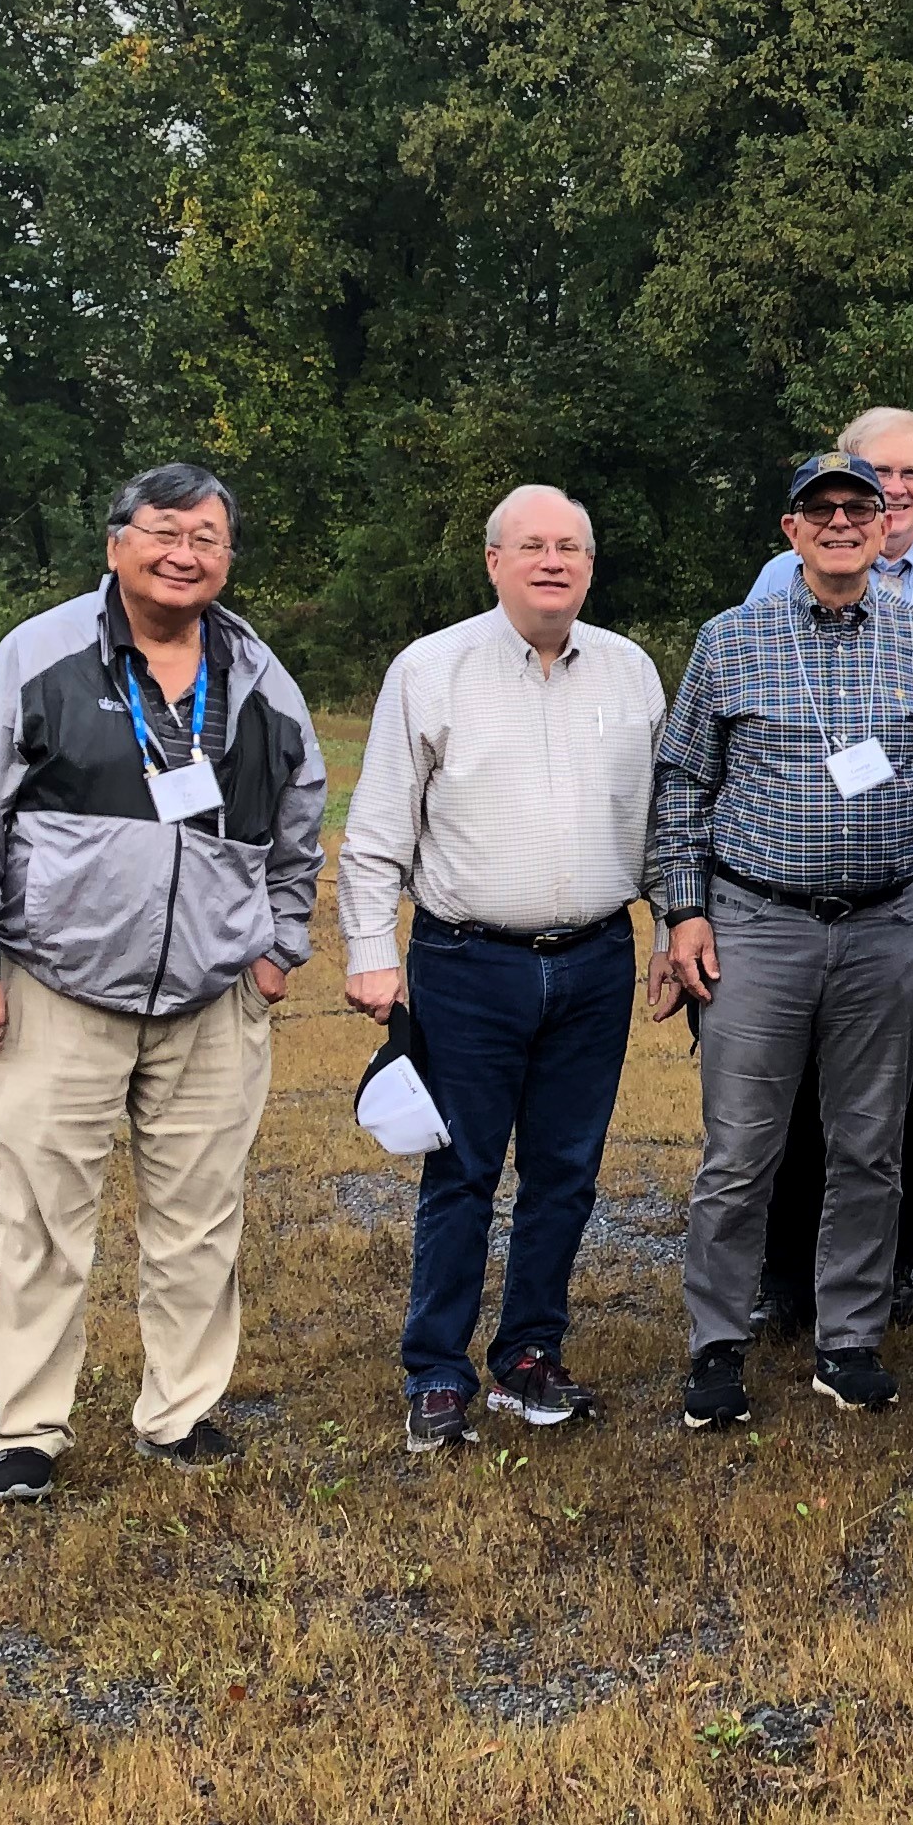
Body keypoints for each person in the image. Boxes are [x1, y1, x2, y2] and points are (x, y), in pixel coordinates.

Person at [0, 463, 325, 1503]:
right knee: (42, 1218)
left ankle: (180, 1415)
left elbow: (300, 817)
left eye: (207, 536)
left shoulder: (259, 677)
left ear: (228, 560)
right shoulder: (40, 656)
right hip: (61, 988)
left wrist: (281, 946)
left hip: (213, 1000)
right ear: (116, 544)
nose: (183, 552)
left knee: (200, 1220)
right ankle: (25, 1433)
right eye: (163, 531)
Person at [646, 450, 913, 1431]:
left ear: (885, 527)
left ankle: (849, 1340)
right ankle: (716, 1342)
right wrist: (684, 910)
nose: (841, 522)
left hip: (885, 927)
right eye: (819, 509)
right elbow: (682, 784)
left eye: (858, 507)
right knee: (743, 1149)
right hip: (757, 926)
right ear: (790, 531)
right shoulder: (730, 641)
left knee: (871, 1149)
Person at [337, 484, 664, 1454]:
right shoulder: (431, 671)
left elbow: (655, 824)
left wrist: (681, 924)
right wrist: (366, 952)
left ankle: (529, 1356)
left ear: (591, 566)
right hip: (468, 964)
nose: (552, 562)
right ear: (494, 562)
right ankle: (436, 1371)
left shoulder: (632, 672)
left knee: (566, 1174)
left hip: (598, 959)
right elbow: (377, 829)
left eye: (571, 545)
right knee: (462, 1173)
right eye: (532, 546)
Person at [748, 407, 913, 1348]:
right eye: (877, 473)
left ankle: (886, 1272)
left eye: (912, 476)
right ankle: (783, 1279)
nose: (893, 491)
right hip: (790, 895)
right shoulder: (780, 579)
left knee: (902, 1093)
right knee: (801, 1097)